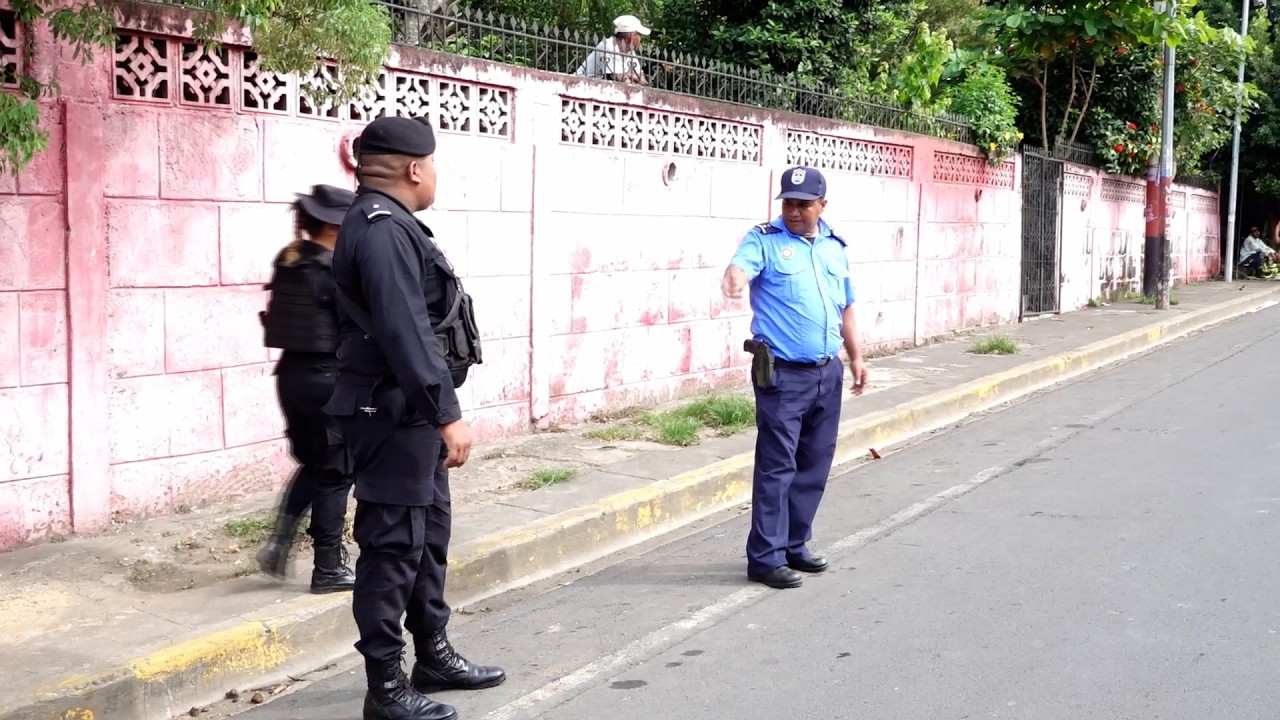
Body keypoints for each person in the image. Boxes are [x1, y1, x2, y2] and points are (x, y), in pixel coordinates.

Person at [324, 115, 501, 720]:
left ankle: (433, 653)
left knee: (428, 541)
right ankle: (386, 687)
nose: (435, 175)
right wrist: (446, 412)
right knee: (393, 546)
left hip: (410, 416)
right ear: (415, 168)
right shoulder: (380, 230)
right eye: (435, 165)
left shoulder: (392, 225)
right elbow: (406, 330)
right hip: (391, 412)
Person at [720, 166, 869, 590]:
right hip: (782, 375)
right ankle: (765, 558)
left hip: (828, 371)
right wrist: (733, 278)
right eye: (789, 203)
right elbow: (739, 267)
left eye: (803, 204)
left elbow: (846, 308)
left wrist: (856, 358)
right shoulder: (764, 241)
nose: (795, 211)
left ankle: (794, 544)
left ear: (822, 205)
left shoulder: (833, 247)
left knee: (814, 464)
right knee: (776, 466)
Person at [256, 184, 358, 594]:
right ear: (335, 226)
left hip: (292, 378)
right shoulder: (333, 270)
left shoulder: (291, 259)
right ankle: (329, 568)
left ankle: (279, 542)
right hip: (327, 382)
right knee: (336, 471)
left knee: (316, 464)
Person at [574, 14, 650, 85]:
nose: (640, 39)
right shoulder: (608, 45)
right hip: (579, 86)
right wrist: (631, 77)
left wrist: (627, 75)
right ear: (632, 36)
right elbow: (615, 79)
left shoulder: (630, 52)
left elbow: (643, 80)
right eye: (639, 35)